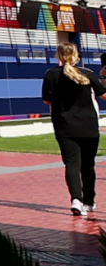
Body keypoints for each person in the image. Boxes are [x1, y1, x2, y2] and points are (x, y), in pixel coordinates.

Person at [41, 42, 102, 217]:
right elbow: (103, 93)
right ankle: (89, 201)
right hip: (88, 126)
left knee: (71, 163)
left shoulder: (51, 74)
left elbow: (46, 100)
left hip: (64, 126)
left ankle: (76, 199)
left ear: (59, 56)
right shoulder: (87, 73)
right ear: (76, 55)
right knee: (88, 165)